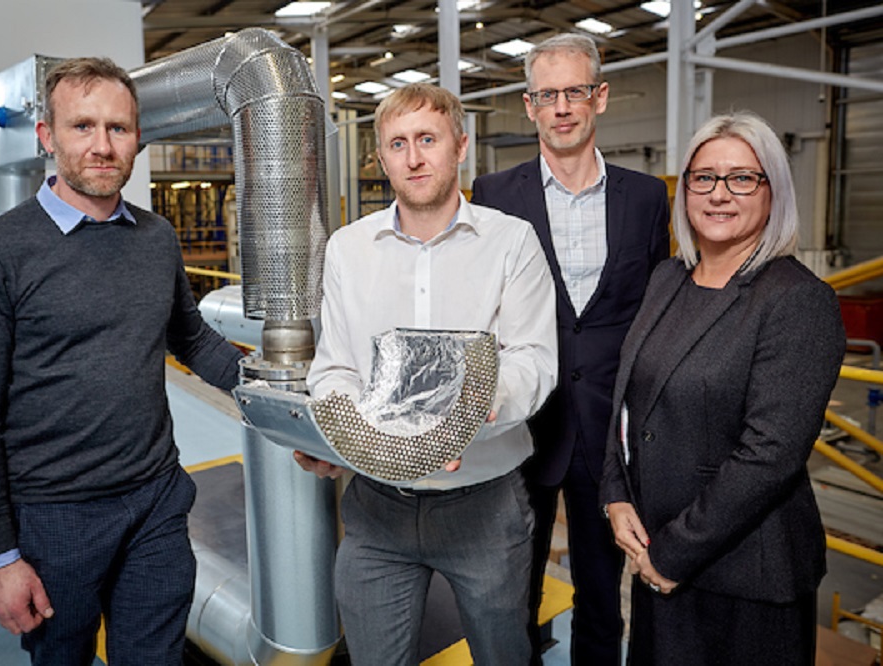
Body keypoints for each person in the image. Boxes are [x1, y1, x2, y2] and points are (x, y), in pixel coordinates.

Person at [0, 57, 243, 665]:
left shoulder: (156, 238)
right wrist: (1, 558)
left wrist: (280, 393)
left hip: (156, 501)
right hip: (54, 519)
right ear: (47, 138)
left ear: (138, 138)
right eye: (83, 127)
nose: (102, 146)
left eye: (119, 128)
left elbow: (193, 339)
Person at [294, 83, 559, 665]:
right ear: (382, 157)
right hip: (376, 510)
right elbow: (334, 367)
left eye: (428, 140)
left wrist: (466, 416)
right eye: (398, 144)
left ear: (459, 146)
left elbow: (533, 362)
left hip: (483, 506)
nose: (414, 157)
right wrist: (336, 433)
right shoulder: (347, 249)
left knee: (504, 657)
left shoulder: (511, 243)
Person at [600, 111, 846, 665]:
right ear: (684, 188)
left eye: (741, 178)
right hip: (656, 556)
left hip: (744, 576)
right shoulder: (668, 278)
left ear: (772, 190)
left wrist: (672, 555)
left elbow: (770, 454)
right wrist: (614, 494)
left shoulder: (796, 300)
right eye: (703, 177)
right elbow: (627, 399)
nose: (719, 194)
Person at [471, 32, 670, 665]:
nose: (561, 107)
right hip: (522, 427)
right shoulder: (495, 193)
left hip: (610, 434)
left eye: (575, 92)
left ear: (600, 97)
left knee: (602, 600)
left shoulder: (645, 198)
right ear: (529, 106)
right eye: (546, 95)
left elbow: (659, 315)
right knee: (510, 595)